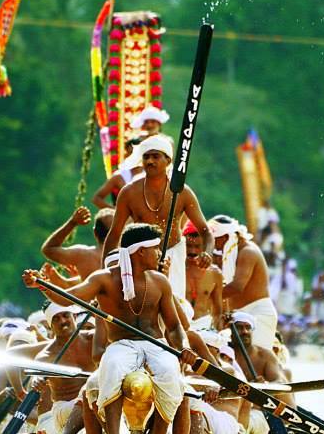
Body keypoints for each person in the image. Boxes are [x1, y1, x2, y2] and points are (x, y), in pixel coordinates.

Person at [24, 223, 198, 434]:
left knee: (171, 374)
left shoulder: (160, 282)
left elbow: (175, 327)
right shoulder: (103, 279)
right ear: (139, 252)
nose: (159, 255)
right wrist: (41, 285)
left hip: (155, 345)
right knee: (112, 366)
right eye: (154, 249)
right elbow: (67, 298)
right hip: (121, 346)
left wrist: (184, 347)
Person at [101, 135, 213, 302]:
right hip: (141, 257)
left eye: (155, 156)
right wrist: (104, 272)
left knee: (175, 308)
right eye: (146, 157)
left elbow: (205, 232)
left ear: (167, 160)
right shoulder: (129, 193)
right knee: (145, 307)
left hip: (174, 254)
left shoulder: (182, 192)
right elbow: (114, 234)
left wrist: (207, 252)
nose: (150, 161)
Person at [32, 303, 95, 434]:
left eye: (66, 315)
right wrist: (37, 380)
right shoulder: (46, 356)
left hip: (98, 400)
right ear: (51, 326)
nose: (63, 321)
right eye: (56, 319)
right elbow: (37, 375)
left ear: (74, 317)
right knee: (89, 394)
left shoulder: (92, 339)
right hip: (65, 411)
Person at [209, 215, 279, 350]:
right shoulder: (226, 255)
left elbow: (237, 287)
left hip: (258, 313)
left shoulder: (248, 252)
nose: (214, 244)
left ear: (225, 237)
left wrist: (206, 297)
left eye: (215, 240)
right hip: (237, 315)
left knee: (255, 361)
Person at [41, 207, 114, 281]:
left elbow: (48, 249)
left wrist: (72, 223)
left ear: (95, 232)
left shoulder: (83, 254)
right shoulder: (124, 255)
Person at [184, 220, 223, 331]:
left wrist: (218, 335)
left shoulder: (215, 273)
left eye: (197, 246)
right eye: (189, 246)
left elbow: (218, 312)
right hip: (181, 328)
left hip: (204, 329)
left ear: (205, 246)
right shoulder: (176, 269)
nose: (192, 251)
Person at [91, 137, 144, 209]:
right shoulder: (120, 176)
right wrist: (115, 212)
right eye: (131, 153)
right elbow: (97, 199)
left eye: (137, 153)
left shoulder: (151, 173)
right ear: (126, 155)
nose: (134, 157)